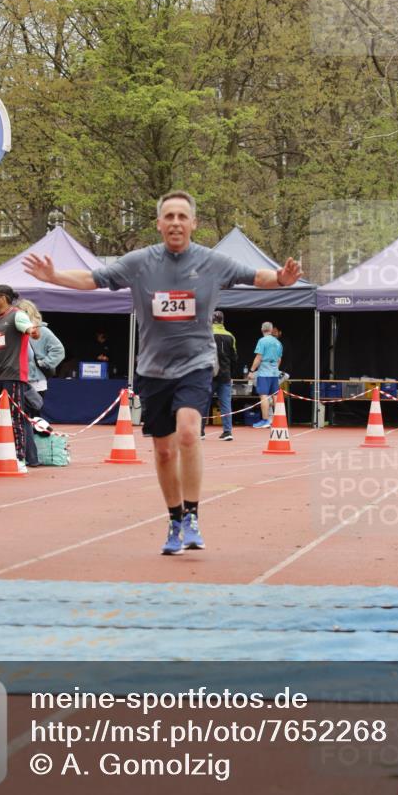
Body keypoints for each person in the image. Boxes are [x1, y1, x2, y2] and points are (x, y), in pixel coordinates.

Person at [23, 190, 301, 554]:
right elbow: (93, 278)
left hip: (196, 363)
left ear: (193, 224)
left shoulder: (212, 262)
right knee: (165, 451)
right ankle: (173, 518)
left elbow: (256, 276)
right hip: (153, 367)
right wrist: (55, 276)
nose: (175, 223)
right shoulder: (139, 263)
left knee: (188, 433)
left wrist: (282, 278)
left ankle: (193, 516)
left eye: (182, 217)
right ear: (158, 224)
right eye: (168, 216)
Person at [0, 285, 40, 472]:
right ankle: (1, 453)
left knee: (15, 417)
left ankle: (19, 457)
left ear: (2, 298)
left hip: (14, 375)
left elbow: (28, 328)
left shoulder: (16, 315)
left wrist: (32, 331)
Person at [17, 298, 65, 467]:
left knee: (34, 420)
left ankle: (36, 454)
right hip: (20, 379)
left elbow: (59, 350)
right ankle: (29, 454)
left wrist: (44, 362)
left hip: (36, 381)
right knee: (24, 419)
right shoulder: (16, 330)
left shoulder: (42, 331)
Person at [201, 310, 237, 441]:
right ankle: (227, 432)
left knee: (204, 403)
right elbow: (234, 358)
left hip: (208, 375)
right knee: (226, 403)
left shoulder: (206, 335)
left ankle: (200, 432)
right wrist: (231, 372)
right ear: (223, 321)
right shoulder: (230, 336)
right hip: (225, 375)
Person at [247, 321, 283, 428]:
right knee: (275, 396)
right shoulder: (278, 343)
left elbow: (259, 357)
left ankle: (265, 420)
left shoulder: (262, 341)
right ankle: (278, 421)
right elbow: (279, 359)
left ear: (262, 330)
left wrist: (252, 371)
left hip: (264, 372)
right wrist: (275, 369)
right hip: (274, 373)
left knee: (264, 396)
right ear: (271, 330)